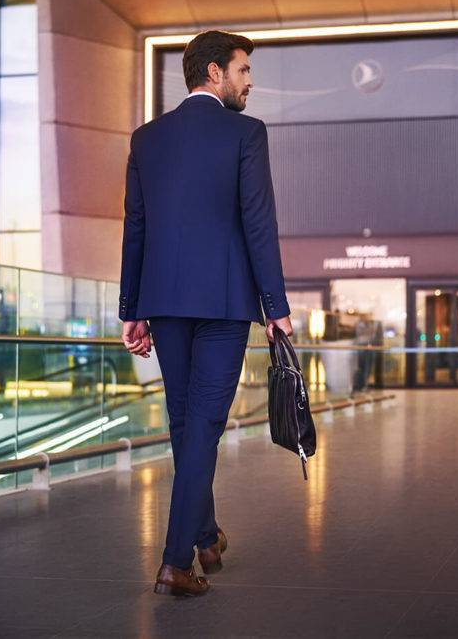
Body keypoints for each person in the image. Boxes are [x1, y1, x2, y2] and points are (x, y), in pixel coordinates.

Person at [118, 30, 293, 597]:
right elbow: (258, 224)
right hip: (222, 303)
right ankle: (174, 560)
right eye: (243, 70)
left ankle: (207, 534)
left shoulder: (147, 139)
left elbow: (136, 228)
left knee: (185, 420)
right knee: (206, 425)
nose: (249, 81)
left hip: (164, 303)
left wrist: (132, 309)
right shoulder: (245, 133)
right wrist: (277, 308)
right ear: (214, 73)